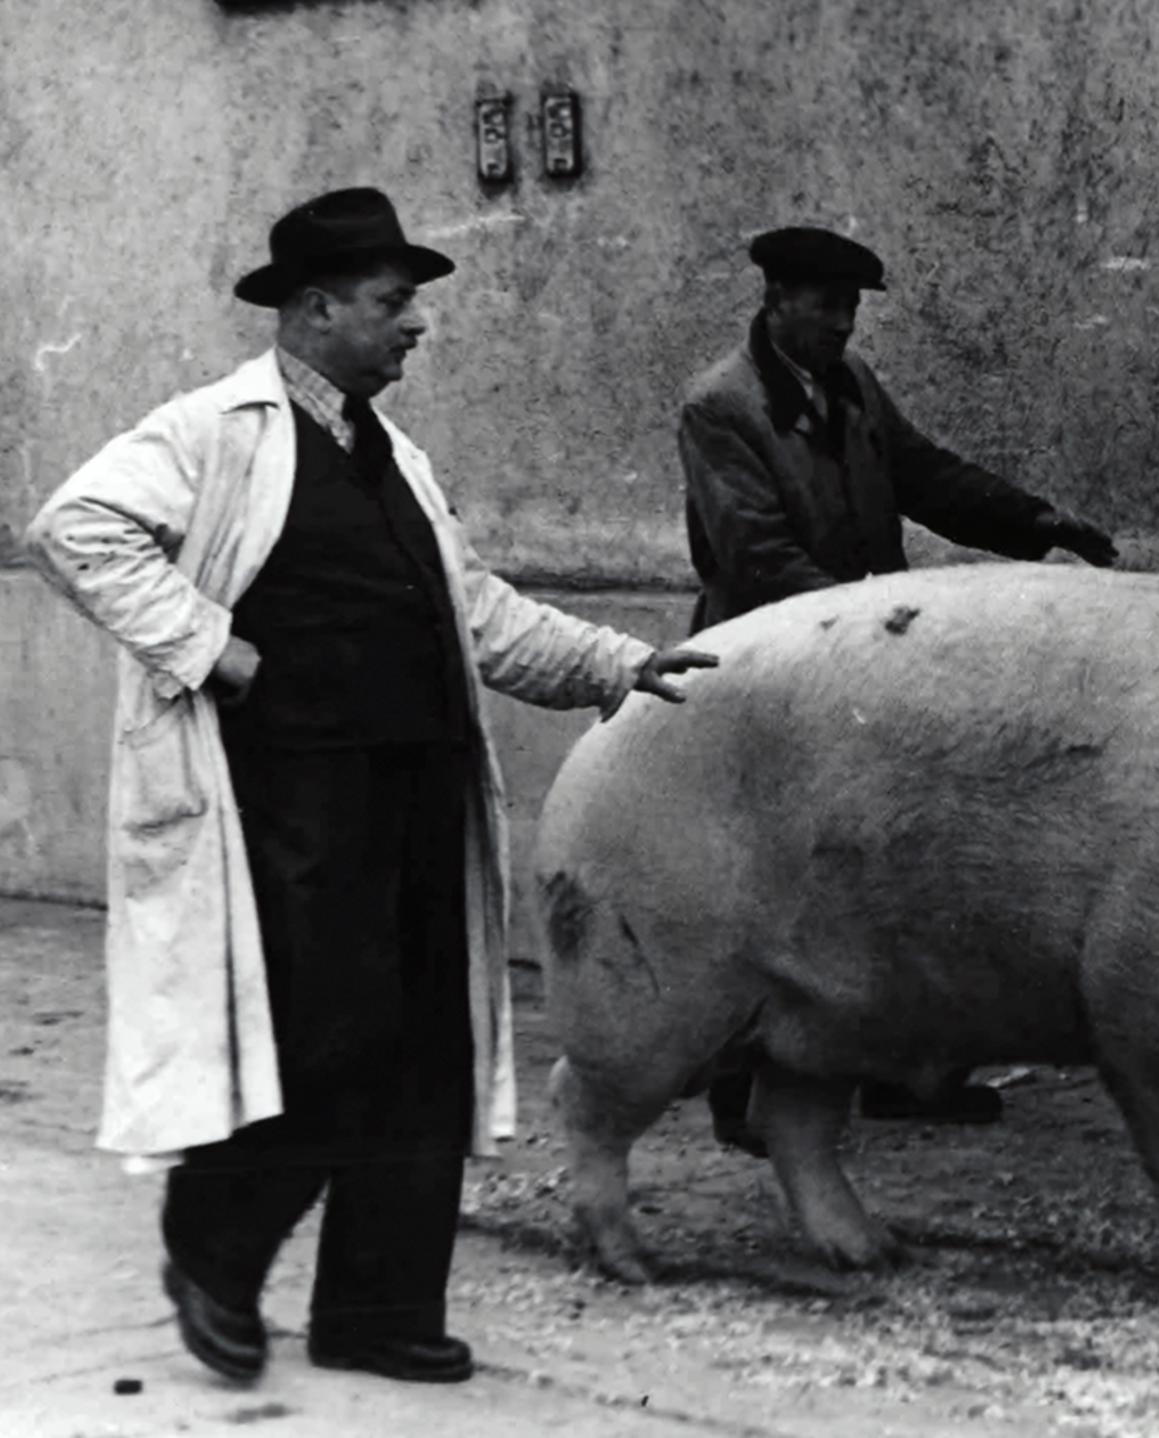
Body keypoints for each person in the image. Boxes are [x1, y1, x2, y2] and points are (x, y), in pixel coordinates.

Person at [25, 188, 718, 1386]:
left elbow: (477, 611)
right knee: (329, 1041)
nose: (415, 328)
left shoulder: (395, 453)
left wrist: (615, 660)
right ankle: (214, 1244)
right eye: (394, 305)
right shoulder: (211, 431)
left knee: (425, 1052)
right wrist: (211, 646)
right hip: (285, 806)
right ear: (314, 307)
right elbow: (73, 527)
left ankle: (379, 1310)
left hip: (415, 797)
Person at [678, 225, 1117, 1145]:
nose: (843, 324)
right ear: (777, 300)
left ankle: (894, 1070)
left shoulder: (854, 389)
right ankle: (740, 1092)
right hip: (769, 676)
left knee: (885, 880)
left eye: (852, 308)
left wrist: (1037, 520)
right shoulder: (721, 407)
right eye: (828, 305)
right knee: (769, 885)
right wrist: (877, 623)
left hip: (865, 672)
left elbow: (927, 477)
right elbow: (756, 556)